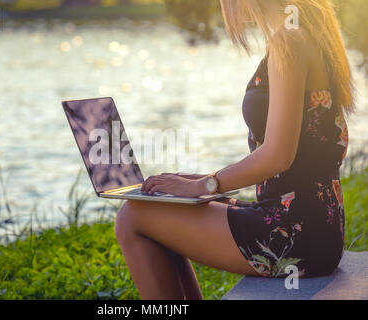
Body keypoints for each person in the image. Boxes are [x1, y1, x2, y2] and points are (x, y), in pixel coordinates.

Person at [114, 0, 354, 300]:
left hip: (295, 234)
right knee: (164, 206)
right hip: (312, 228)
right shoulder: (303, 31)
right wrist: (197, 184)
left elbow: (279, 155)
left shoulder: (288, 40)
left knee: (132, 217)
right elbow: (303, 152)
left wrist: (206, 185)